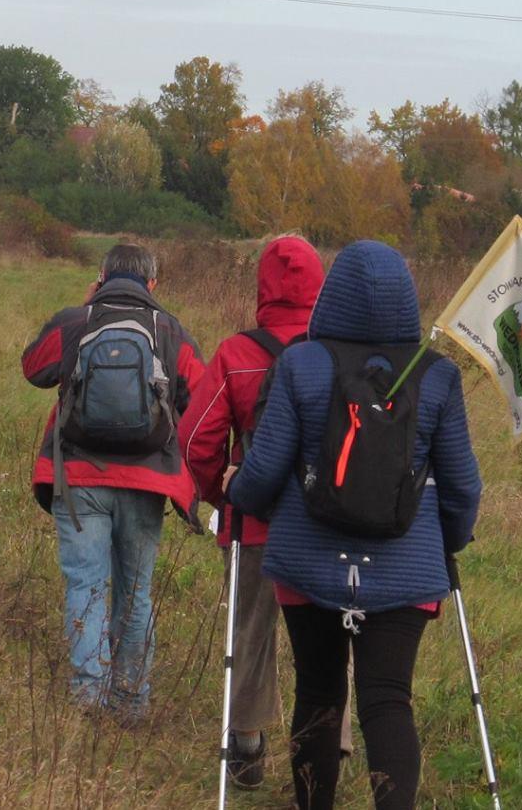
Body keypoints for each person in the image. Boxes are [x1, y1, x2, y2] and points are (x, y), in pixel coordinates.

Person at [229, 240, 482, 810]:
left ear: (332, 297)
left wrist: (236, 493)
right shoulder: (436, 376)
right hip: (405, 572)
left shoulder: (300, 364)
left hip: (307, 565)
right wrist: (448, 542)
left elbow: (264, 469)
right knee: (388, 699)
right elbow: (464, 485)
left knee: (319, 693)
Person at [23, 243, 205, 718]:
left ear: (101, 277)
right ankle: (129, 699)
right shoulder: (170, 330)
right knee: (135, 592)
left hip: (79, 479)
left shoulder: (76, 321)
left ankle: (88, 697)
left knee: (86, 585)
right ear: (153, 284)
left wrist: (84, 309)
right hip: (148, 482)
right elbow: (201, 399)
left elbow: (33, 367)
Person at [179, 235, 329, 789]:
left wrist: (222, 495)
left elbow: (195, 439)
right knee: (328, 641)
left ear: (263, 286)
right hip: (328, 524)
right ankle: (325, 748)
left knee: (250, 634)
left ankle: (246, 748)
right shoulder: (337, 352)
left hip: (256, 523)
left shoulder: (235, 355)